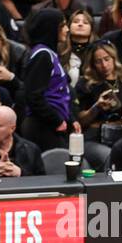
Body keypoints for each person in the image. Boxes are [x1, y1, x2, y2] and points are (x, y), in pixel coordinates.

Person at [19, 8, 71, 151]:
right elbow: (33, 96)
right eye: (62, 26)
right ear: (51, 29)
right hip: (42, 126)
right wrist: (56, 120)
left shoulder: (49, 54)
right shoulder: (42, 56)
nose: (67, 29)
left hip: (49, 124)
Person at [75, 41, 122, 142]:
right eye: (98, 62)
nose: (104, 65)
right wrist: (97, 107)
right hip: (94, 136)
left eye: (107, 59)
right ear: (93, 64)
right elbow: (80, 120)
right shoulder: (85, 84)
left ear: (114, 59)